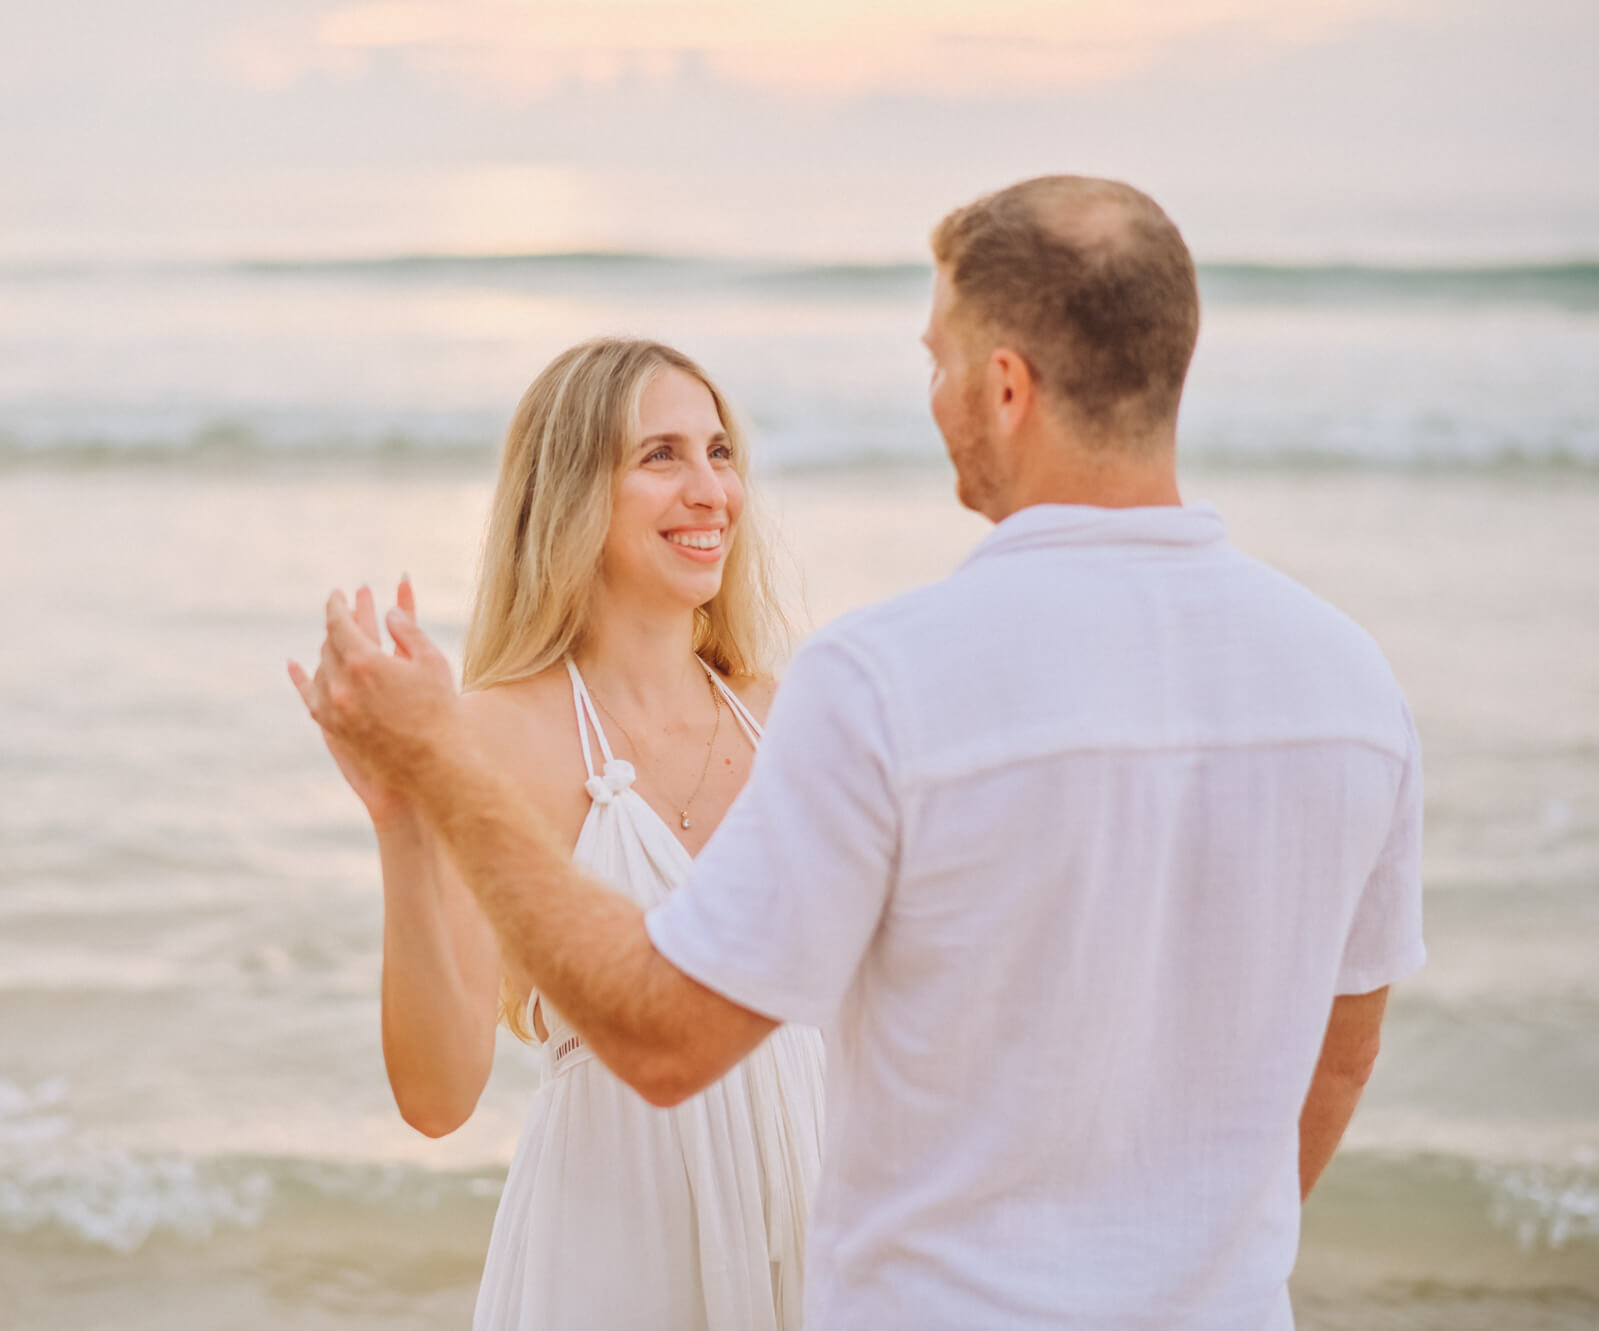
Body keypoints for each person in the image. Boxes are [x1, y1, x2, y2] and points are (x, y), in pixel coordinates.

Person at [298, 176, 1425, 1329]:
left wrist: (434, 768)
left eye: (936, 360)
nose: (712, 486)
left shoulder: (863, 687)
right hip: (635, 1252)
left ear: (1003, 386)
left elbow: (668, 1032)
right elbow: (1335, 1059)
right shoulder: (1354, 687)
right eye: (662, 455)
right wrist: (1171, 1266)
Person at [291, 337, 825, 1331]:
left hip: (816, 1236)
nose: (709, 487)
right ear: (574, 490)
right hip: (615, 1254)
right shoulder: (495, 730)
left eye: (718, 451)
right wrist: (402, 818)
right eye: (660, 455)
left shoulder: (791, 717)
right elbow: (437, 1093)